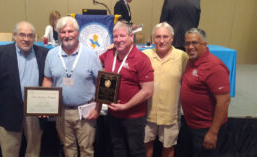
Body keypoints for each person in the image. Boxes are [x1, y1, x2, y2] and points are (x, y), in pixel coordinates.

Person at [0, 21, 48, 157]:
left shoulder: (44, 53)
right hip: (8, 112)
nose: (26, 39)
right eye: (22, 35)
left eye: (30, 35)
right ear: (14, 36)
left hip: (35, 113)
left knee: (34, 152)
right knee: (9, 151)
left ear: (35, 37)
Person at [42, 16, 102, 157]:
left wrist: (98, 108)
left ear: (77, 33)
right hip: (61, 111)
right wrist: (45, 105)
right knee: (68, 148)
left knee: (86, 149)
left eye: (70, 31)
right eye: (63, 32)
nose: (67, 35)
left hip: (86, 111)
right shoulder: (51, 55)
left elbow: (101, 82)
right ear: (58, 34)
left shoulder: (90, 54)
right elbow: (47, 79)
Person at [99, 21, 154, 157]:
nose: (118, 40)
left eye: (122, 36)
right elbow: (94, 62)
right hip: (113, 113)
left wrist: (126, 106)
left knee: (136, 150)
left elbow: (147, 91)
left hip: (133, 116)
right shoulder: (109, 54)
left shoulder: (142, 59)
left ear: (131, 37)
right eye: (115, 37)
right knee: (118, 148)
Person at [180, 28, 231, 157]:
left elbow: (224, 101)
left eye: (195, 43)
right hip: (192, 125)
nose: (190, 47)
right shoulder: (192, 61)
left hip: (206, 128)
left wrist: (213, 132)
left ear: (205, 44)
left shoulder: (214, 67)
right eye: (187, 43)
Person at [143, 22, 189, 157]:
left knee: (168, 148)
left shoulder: (182, 57)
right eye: (157, 37)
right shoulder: (145, 55)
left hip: (171, 114)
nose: (161, 41)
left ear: (172, 38)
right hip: (148, 112)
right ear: (152, 39)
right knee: (147, 145)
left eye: (165, 36)